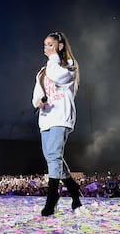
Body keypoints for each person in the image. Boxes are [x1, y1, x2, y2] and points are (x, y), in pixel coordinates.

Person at [32, 31, 82, 216]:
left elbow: (59, 77)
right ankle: (74, 192)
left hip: (61, 116)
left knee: (53, 155)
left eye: (50, 44)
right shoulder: (42, 72)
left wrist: (53, 57)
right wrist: (38, 101)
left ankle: (52, 198)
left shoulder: (69, 65)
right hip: (46, 118)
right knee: (53, 159)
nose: (46, 48)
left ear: (59, 46)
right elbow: (36, 94)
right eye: (45, 45)